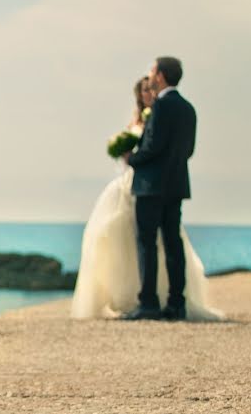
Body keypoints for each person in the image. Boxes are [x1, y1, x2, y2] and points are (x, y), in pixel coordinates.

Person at [71, 62, 221, 321]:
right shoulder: (188, 108)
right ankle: (176, 303)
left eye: (153, 72)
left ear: (161, 76)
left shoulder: (161, 107)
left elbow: (152, 147)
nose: (150, 76)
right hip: (176, 185)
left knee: (147, 244)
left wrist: (133, 158)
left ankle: (149, 303)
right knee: (173, 244)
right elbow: (188, 151)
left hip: (151, 186)